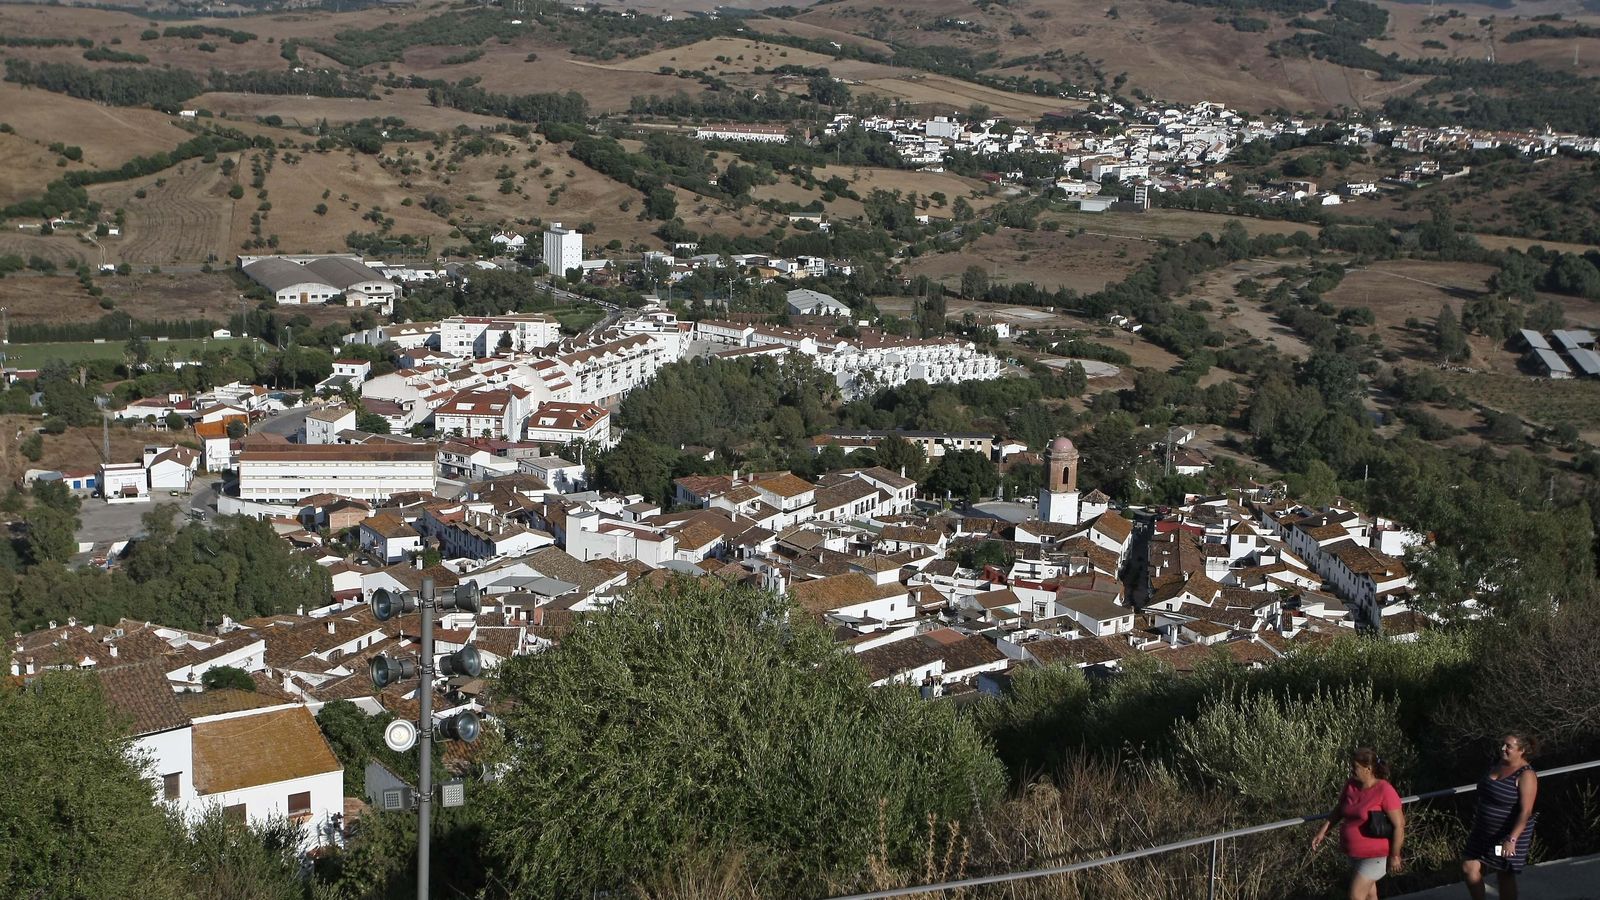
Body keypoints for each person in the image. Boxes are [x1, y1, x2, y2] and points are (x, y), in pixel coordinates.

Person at [1311, 747, 1406, 900]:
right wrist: (1322, 831)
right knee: (1370, 895)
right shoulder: (1351, 785)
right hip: (1355, 855)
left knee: (1355, 896)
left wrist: (1395, 855)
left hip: (1375, 855)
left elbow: (1399, 825)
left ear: (1368, 769)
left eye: (1355, 767)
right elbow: (1340, 809)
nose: (1351, 770)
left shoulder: (1384, 790)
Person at [1462, 733, 1539, 900]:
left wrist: (1511, 840)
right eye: (1503, 745)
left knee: (1504, 874)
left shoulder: (1526, 775)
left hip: (1507, 835)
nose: (1503, 749)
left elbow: (1525, 811)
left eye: (1508, 746)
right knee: (1469, 867)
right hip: (1483, 832)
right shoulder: (1496, 764)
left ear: (1522, 750)